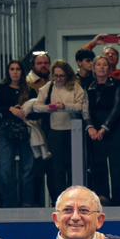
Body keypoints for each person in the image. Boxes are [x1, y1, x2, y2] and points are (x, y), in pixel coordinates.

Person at [29, 60, 88, 199]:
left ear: (67, 75)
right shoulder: (48, 87)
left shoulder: (75, 87)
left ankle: (74, 197)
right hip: (55, 132)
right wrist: (50, 107)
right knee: (56, 168)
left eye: (61, 76)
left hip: (73, 132)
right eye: (56, 76)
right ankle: (58, 198)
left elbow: (80, 107)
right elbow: (36, 107)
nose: (59, 79)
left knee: (73, 166)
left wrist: (65, 106)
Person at [82, 56, 120, 204]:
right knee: (97, 163)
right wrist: (90, 126)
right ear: (94, 68)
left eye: (105, 65)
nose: (101, 67)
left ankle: (119, 198)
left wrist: (104, 128)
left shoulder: (117, 83)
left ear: (109, 68)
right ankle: (102, 196)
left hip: (115, 127)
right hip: (94, 128)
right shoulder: (88, 85)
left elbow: (117, 107)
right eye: (98, 65)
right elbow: (85, 107)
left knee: (118, 165)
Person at [0, 60, 38, 208]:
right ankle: (9, 203)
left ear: (22, 72)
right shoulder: (2, 89)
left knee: (28, 168)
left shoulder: (30, 90)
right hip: (7, 131)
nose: (15, 72)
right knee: (5, 168)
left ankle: (27, 202)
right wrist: (11, 109)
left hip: (26, 131)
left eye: (18, 69)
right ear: (8, 72)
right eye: (12, 69)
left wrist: (24, 112)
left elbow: (36, 111)